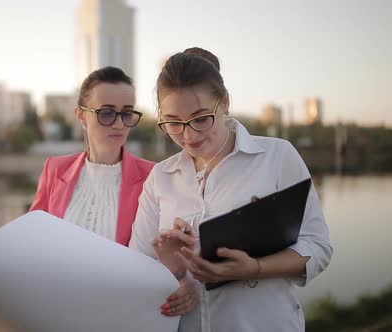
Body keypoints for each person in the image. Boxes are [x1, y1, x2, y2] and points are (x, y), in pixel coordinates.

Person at [0, 66, 196, 318]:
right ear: (80, 115)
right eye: (106, 112)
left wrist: (185, 283)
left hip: (121, 317)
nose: (118, 124)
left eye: (127, 113)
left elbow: (169, 254)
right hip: (57, 315)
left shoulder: (154, 177)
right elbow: (19, 246)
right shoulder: (55, 170)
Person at [128, 48, 332, 331]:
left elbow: (318, 247)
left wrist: (255, 269)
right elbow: (136, 267)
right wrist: (174, 275)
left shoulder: (276, 156)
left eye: (201, 118)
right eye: (173, 123)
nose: (188, 135)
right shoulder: (160, 176)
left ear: (224, 102)